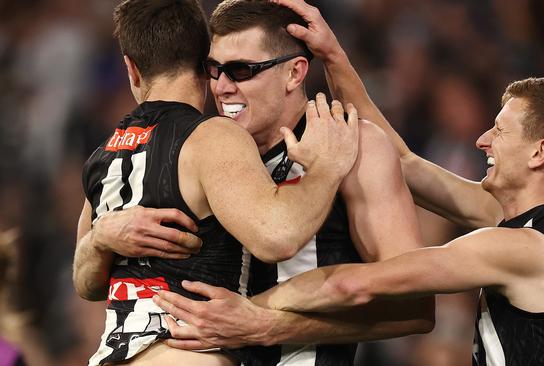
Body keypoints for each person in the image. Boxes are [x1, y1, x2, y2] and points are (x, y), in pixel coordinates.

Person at [155, 1, 544, 365]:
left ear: (540, 153)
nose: (482, 139)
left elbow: (361, 288)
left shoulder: (516, 247)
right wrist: (335, 58)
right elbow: (407, 163)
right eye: (214, 71)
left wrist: (255, 315)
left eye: (501, 130)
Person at [76, 0, 434, 365]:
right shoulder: (198, 148)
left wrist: (269, 326)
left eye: (242, 70)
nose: (222, 87)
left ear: (295, 73)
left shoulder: (354, 147)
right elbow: (93, 279)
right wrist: (100, 237)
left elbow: (415, 307)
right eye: (213, 70)